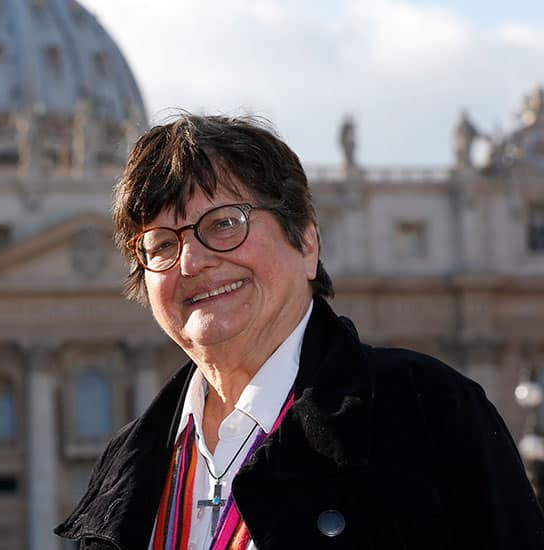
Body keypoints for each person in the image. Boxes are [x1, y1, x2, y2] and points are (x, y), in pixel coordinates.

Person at [54, 114, 544, 549]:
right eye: (161, 244)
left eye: (225, 223)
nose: (193, 261)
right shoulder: (126, 463)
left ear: (307, 242)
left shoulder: (428, 412)